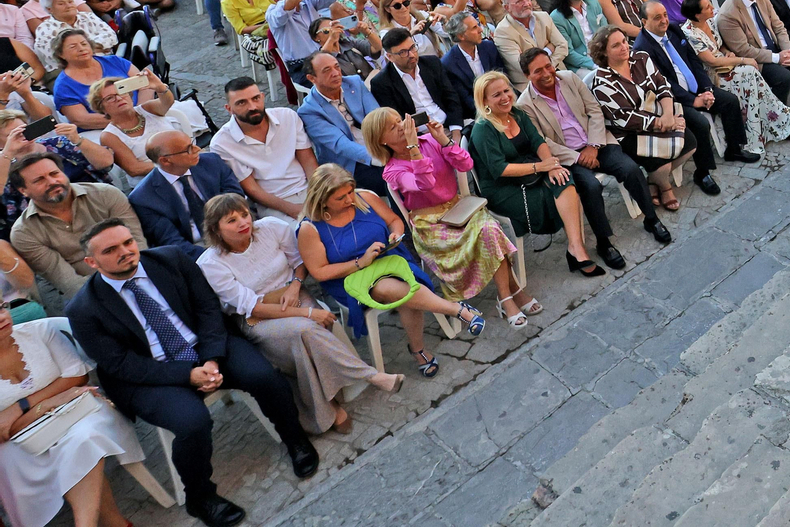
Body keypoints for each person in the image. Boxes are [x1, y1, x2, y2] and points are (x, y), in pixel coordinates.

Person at [66, 220, 317, 527]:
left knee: (263, 376)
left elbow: (208, 309)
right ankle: (200, 498)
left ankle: (295, 439)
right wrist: (188, 374)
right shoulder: (83, 308)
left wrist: (210, 360)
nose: (126, 252)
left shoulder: (170, 259)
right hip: (150, 376)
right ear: (91, 262)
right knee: (192, 422)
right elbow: (120, 364)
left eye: (128, 242)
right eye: (111, 250)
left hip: (204, 347)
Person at [196, 194, 401, 436]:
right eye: (231, 220)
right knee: (305, 328)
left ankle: (329, 410)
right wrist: (309, 312)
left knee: (303, 336)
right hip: (259, 315)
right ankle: (371, 376)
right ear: (215, 230)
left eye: (244, 214)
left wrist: (295, 286)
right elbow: (253, 307)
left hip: (294, 293)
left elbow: (300, 261)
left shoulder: (271, 227)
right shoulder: (211, 264)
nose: (243, 222)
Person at [296, 164, 482, 379]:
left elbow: (394, 221)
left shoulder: (363, 198)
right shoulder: (310, 228)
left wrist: (395, 234)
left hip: (389, 260)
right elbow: (319, 272)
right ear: (321, 200)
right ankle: (455, 311)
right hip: (348, 278)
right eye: (341, 198)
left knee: (401, 288)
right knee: (395, 288)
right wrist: (360, 262)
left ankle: (422, 345)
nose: (349, 200)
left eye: (349, 192)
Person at [362, 107, 538, 325]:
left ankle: (506, 297)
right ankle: (514, 294)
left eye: (400, 120)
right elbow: (424, 184)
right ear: (381, 140)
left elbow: (466, 164)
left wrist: (444, 141)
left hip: (459, 208)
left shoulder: (430, 141)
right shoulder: (392, 170)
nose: (402, 127)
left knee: (489, 231)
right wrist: (413, 147)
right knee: (488, 233)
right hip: (429, 224)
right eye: (393, 127)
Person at [0, 306, 145, 527]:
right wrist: (49, 402)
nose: (1, 317)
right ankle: (116, 523)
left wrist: (21, 407)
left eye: (0, 306)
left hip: (77, 412)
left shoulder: (40, 330)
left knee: (84, 437)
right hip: (21, 441)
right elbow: (2, 431)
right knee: (66, 450)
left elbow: (77, 377)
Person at [468, 71, 618, 274]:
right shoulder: (483, 129)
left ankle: (576, 248)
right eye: (496, 95)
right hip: (503, 187)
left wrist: (553, 165)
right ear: (484, 101)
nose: (505, 97)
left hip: (529, 173)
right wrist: (541, 167)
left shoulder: (517, 114)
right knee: (555, 194)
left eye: (506, 91)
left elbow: (538, 141)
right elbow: (499, 169)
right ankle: (576, 248)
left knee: (564, 178)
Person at [516, 47, 669, 241]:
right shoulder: (525, 105)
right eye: (538, 71)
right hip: (568, 157)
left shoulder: (569, 78)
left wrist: (593, 146)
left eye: (548, 66)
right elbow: (541, 141)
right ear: (527, 75)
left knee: (630, 169)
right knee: (591, 187)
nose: (547, 74)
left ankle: (652, 219)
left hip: (597, 142)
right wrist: (578, 157)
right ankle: (604, 241)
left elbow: (595, 110)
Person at [592, 25, 712, 203]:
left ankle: (653, 182)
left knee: (691, 143)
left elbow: (662, 86)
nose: (624, 47)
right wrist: (662, 123)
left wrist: (669, 116)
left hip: (659, 115)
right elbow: (625, 118)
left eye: (624, 41)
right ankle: (665, 187)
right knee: (659, 160)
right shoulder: (602, 82)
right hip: (628, 132)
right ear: (603, 52)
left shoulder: (641, 58)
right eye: (616, 45)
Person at [677, 0, 790, 157]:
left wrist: (728, 53)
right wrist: (741, 60)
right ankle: (770, 122)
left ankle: (772, 121)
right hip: (713, 74)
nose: (712, 7)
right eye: (707, 7)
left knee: (751, 74)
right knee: (749, 72)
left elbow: (720, 47)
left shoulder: (710, 21)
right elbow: (710, 61)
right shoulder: (690, 33)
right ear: (697, 15)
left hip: (727, 64)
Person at [9, 152, 145, 298]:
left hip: (139, 272)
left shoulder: (106, 194)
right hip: (90, 294)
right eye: (39, 180)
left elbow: (138, 244)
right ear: (24, 191)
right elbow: (67, 281)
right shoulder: (24, 233)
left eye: (55, 173)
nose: (52, 182)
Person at [209, 78, 318, 220]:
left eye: (255, 98)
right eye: (242, 103)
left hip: (308, 188)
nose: (252, 107)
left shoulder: (287, 117)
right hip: (272, 205)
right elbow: (252, 189)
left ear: (262, 97)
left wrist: (319, 192)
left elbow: (308, 160)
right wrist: (294, 210)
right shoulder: (222, 143)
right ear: (229, 109)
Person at [128, 130, 243, 260]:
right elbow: (171, 241)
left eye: (192, 143)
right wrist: (214, 259)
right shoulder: (143, 198)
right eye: (188, 149)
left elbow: (235, 198)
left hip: (233, 229)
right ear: (165, 160)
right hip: (194, 248)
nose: (197, 149)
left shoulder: (212, 162)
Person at [298, 52, 386, 193]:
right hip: (351, 163)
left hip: (377, 144)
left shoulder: (354, 83)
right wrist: (379, 158)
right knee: (391, 180)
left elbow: (376, 116)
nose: (335, 73)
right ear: (311, 78)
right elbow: (340, 144)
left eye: (336, 67)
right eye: (326, 70)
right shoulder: (309, 111)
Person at [369, 28, 467, 135]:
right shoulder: (381, 83)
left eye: (412, 47)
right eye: (403, 52)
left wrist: (456, 130)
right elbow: (398, 121)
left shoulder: (432, 63)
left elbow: (451, 98)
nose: (411, 54)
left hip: (450, 124)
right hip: (421, 136)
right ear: (390, 57)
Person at [493, 0, 568, 92]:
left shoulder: (544, 17)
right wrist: (548, 49)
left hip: (558, 72)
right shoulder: (502, 32)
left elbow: (563, 46)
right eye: (519, 1)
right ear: (507, 7)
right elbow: (522, 66)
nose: (526, 4)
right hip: (530, 84)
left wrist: (549, 67)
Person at [440, 11, 507, 106]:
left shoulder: (489, 47)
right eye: (474, 28)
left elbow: (503, 76)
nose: (480, 30)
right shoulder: (448, 64)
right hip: (477, 110)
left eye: (478, 25)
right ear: (461, 36)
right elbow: (465, 98)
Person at [548, 0, 606, 74]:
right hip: (581, 64)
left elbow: (607, 33)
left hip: (603, 55)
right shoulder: (556, 17)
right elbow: (568, 53)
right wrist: (594, 64)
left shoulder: (593, 4)